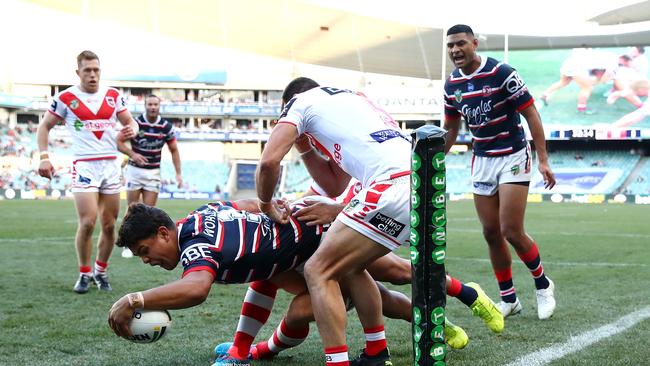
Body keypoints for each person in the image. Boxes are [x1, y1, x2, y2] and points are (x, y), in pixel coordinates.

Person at [213, 185, 503, 364]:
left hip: (337, 238)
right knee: (299, 312)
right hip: (322, 277)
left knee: (393, 271)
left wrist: (337, 211)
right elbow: (263, 284)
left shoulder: (336, 152)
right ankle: (261, 351)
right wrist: (246, 347)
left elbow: (344, 197)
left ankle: (466, 296)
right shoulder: (260, 252)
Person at [108, 199, 413, 366]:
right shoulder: (197, 215)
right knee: (281, 290)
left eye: (145, 252)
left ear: (163, 233)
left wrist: (134, 300)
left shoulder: (195, 243)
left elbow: (196, 288)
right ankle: (245, 352)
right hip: (308, 245)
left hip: (324, 239)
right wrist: (271, 211)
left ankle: (447, 302)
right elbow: (246, 204)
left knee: (394, 275)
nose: (147, 260)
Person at [255, 77, 413, 366]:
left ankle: (337, 362)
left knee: (318, 270)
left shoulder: (298, 103)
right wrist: (304, 146)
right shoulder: (352, 97)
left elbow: (268, 162)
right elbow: (334, 184)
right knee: (353, 266)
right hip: (420, 186)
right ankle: (376, 354)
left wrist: (265, 204)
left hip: (389, 187)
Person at [442, 25, 557, 320]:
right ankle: (509, 299)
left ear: (474, 44)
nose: (455, 50)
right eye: (450, 46)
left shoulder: (502, 72)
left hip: (513, 155)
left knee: (511, 230)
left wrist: (543, 159)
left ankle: (543, 285)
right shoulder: (451, 85)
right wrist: (432, 159)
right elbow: (451, 129)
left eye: (461, 44)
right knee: (491, 233)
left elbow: (531, 113)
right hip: (481, 159)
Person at [37, 50, 139, 294]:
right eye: (87, 71)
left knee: (109, 224)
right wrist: (43, 158)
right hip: (84, 166)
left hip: (111, 166)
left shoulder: (113, 96)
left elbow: (130, 122)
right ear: (78, 72)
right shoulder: (65, 98)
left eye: (96, 70)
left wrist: (132, 129)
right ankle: (84, 274)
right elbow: (44, 127)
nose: (92, 75)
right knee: (88, 222)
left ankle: (100, 272)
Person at [118, 94, 182, 258]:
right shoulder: (136, 123)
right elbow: (118, 142)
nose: (153, 107)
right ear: (145, 106)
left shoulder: (166, 126)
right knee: (132, 209)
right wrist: (132, 154)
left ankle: (149, 245)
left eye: (155, 104)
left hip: (153, 172)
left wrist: (178, 174)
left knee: (149, 212)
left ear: (159, 106)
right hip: (134, 171)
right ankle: (128, 244)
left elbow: (174, 150)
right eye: (150, 104)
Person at [540, 47, 617, 113]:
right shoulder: (609, 61)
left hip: (569, 63)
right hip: (578, 67)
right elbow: (604, 78)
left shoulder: (583, 47)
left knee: (563, 82)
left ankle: (545, 94)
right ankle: (581, 109)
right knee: (587, 88)